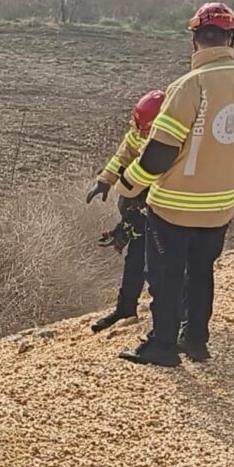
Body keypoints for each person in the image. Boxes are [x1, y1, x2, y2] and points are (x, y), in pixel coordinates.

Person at [113, 2, 234, 367]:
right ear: (230, 37)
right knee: (201, 273)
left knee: (166, 276)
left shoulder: (190, 85)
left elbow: (159, 152)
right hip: (221, 206)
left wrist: (129, 186)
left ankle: (162, 346)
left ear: (194, 41)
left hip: (174, 206)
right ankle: (197, 341)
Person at [87, 89, 166, 332]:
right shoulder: (139, 132)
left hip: (165, 209)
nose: (141, 133)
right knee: (136, 257)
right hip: (141, 206)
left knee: (161, 265)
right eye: (139, 127)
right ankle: (126, 308)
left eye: (146, 129)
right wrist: (105, 180)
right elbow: (123, 155)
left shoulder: (172, 137)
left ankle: (168, 321)